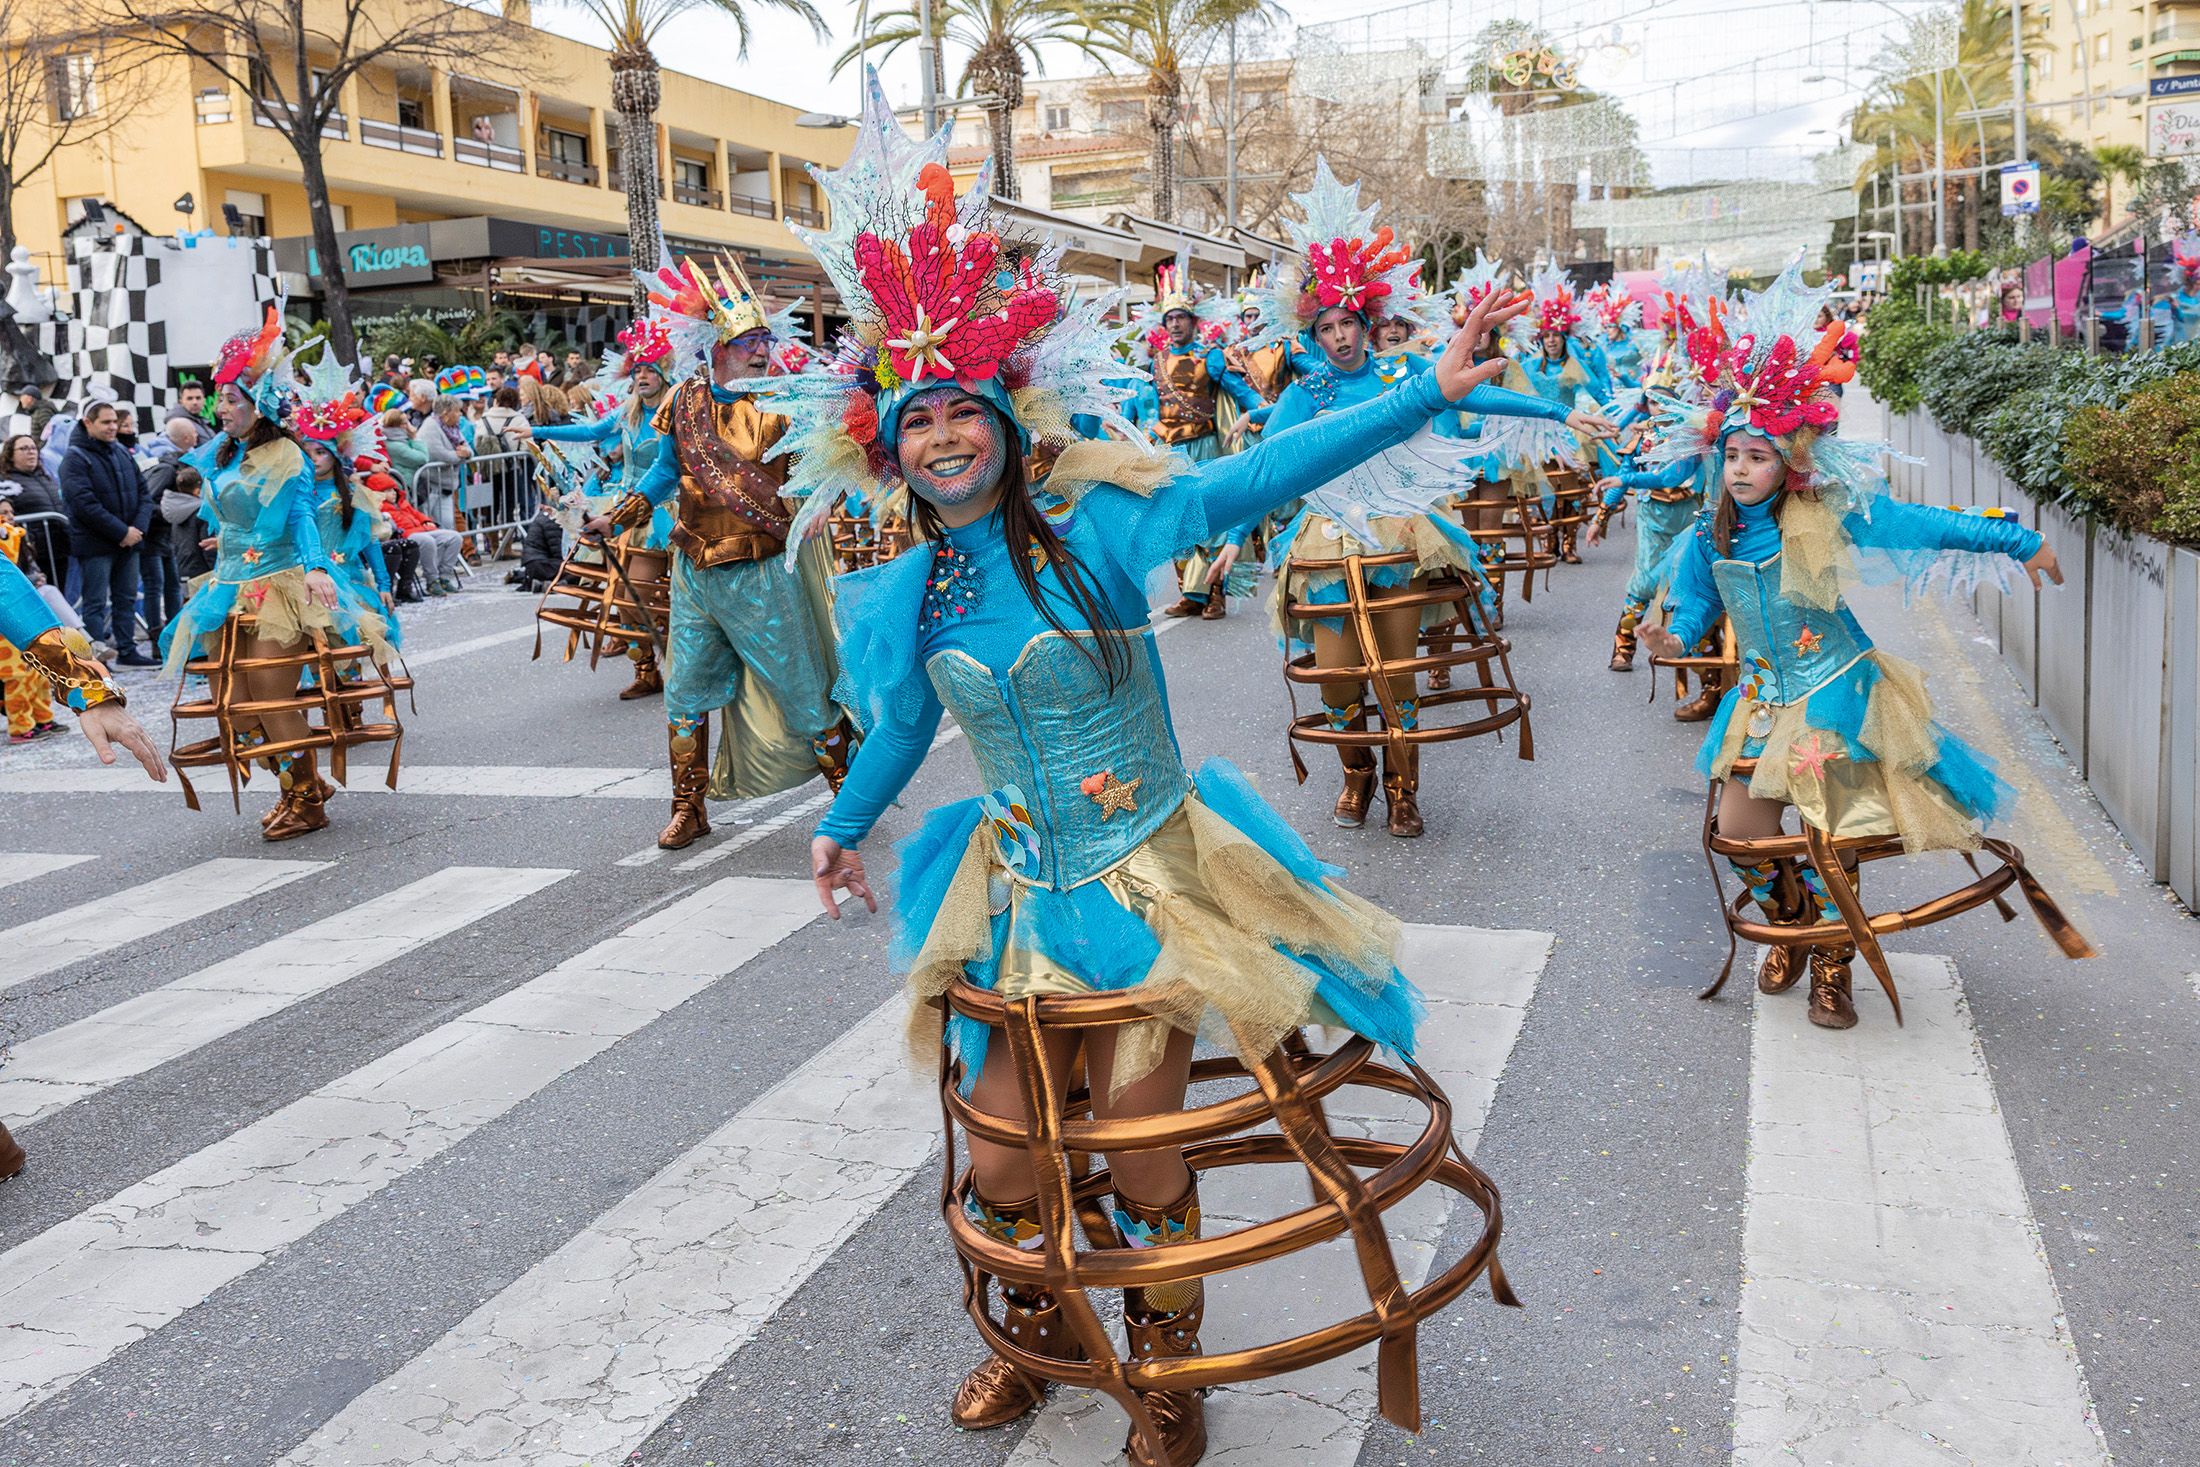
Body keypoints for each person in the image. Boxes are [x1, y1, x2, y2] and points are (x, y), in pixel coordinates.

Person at [792, 92, 1538, 1466]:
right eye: (916, 422)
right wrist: (843, 826)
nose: (943, 437)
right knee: (1010, 1158)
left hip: (1147, 885)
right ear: (882, 447)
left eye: (964, 411)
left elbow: (1268, 470)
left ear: (1010, 421)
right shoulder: (907, 590)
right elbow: (904, 729)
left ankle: (1167, 1361)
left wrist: (1425, 390)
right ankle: (1042, 1333)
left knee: (1141, 1148)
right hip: (1015, 897)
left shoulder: (1112, 524)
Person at [1637, 265, 2068, 1029]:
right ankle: (1800, 928)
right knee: (1741, 839)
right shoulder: (1710, 531)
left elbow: (1921, 524)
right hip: (1763, 702)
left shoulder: (1828, 511)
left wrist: (2018, 538)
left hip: (1836, 689)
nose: (1741, 469)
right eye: (1733, 454)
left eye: (1757, 456)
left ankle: (1834, 965)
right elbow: (1700, 610)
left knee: (1834, 840)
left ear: (1790, 459)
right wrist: (1668, 635)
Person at [1248, 160, 1614, 837]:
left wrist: (1559, 416)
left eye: (1349, 323)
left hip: (1404, 533)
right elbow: (1262, 467)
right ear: (1313, 335)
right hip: (1328, 538)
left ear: (1368, 320)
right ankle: (1355, 776)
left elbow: (1469, 387)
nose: (1341, 337)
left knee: (1398, 673)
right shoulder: (1303, 394)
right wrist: (1213, 530)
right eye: (1326, 328)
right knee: (1337, 677)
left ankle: (1402, 787)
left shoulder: (1405, 369)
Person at [584, 254, 856, 849]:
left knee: (806, 694)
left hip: (762, 571)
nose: (762, 350)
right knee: (684, 696)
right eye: (747, 341)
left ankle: (851, 799)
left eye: (765, 339)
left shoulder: (783, 402)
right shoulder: (682, 402)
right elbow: (662, 475)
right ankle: (689, 806)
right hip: (695, 569)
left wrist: (813, 508)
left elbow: (820, 468)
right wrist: (617, 516)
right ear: (714, 347)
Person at [160, 307, 396, 839]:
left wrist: (315, 566)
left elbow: (299, 516)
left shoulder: (286, 454)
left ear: (259, 406)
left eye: (231, 398)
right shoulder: (225, 452)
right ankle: (302, 781)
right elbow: (239, 512)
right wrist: (229, 536)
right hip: (226, 588)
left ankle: (306, 798)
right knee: (236, 711)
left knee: (267, 699)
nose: (221, 406)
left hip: (278, 591)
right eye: (219, 397)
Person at [537, 317, 675, 699]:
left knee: (663, 598)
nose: (642, 376)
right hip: (627, 513)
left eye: (650, 369)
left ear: (664, 373)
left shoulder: (677, 408)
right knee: (626, 600)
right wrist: (536, 431)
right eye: (638, 370)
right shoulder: (629, 413)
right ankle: (647, 670)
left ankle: (684, 662)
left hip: (668, 514)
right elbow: (591, 432)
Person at [1126, 256, 1264, 621]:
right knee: (1176, 521)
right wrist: (1141, 430)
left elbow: (1240, 391)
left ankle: (1217, 593)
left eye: (1180, 318)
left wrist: (1262, 411)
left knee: (1211, 516)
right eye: (1169, 319)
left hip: (1205, 446)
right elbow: (1145, 403)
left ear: (1193, 321)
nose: (1174, 324)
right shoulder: (1155, 360)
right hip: (1169, 452)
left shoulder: (1211, 358)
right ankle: (1193, 593)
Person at [59, 399, 156, 666]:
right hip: (96, 544)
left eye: (115, 421)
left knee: (125, 599)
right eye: (106, 422)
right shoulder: (75, 458)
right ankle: (94, 660)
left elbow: (143, 494)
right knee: (95, 603)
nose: (113, 427)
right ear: (88, 423)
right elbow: (83, 504)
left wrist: (137, 530)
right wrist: (121, 531)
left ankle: (127, 651)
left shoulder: (122, 452)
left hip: (129, 540)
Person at [0, 499, 63, 741]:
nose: (9, 517)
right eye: (3, 513)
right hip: (5, 630)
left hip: (19, 613)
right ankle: (20, 725)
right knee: (16, 678)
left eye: (11, 512)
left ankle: (43, 718)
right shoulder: (10, 537)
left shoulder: (15, 535)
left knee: (37, 670)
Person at [0, 431, 67, 584]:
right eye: (24, 448)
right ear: (10, 454)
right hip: (34, 550)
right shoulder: (5, 481)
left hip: (58, 546)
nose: (31, 452)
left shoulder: (45, 477)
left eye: (33, 448)